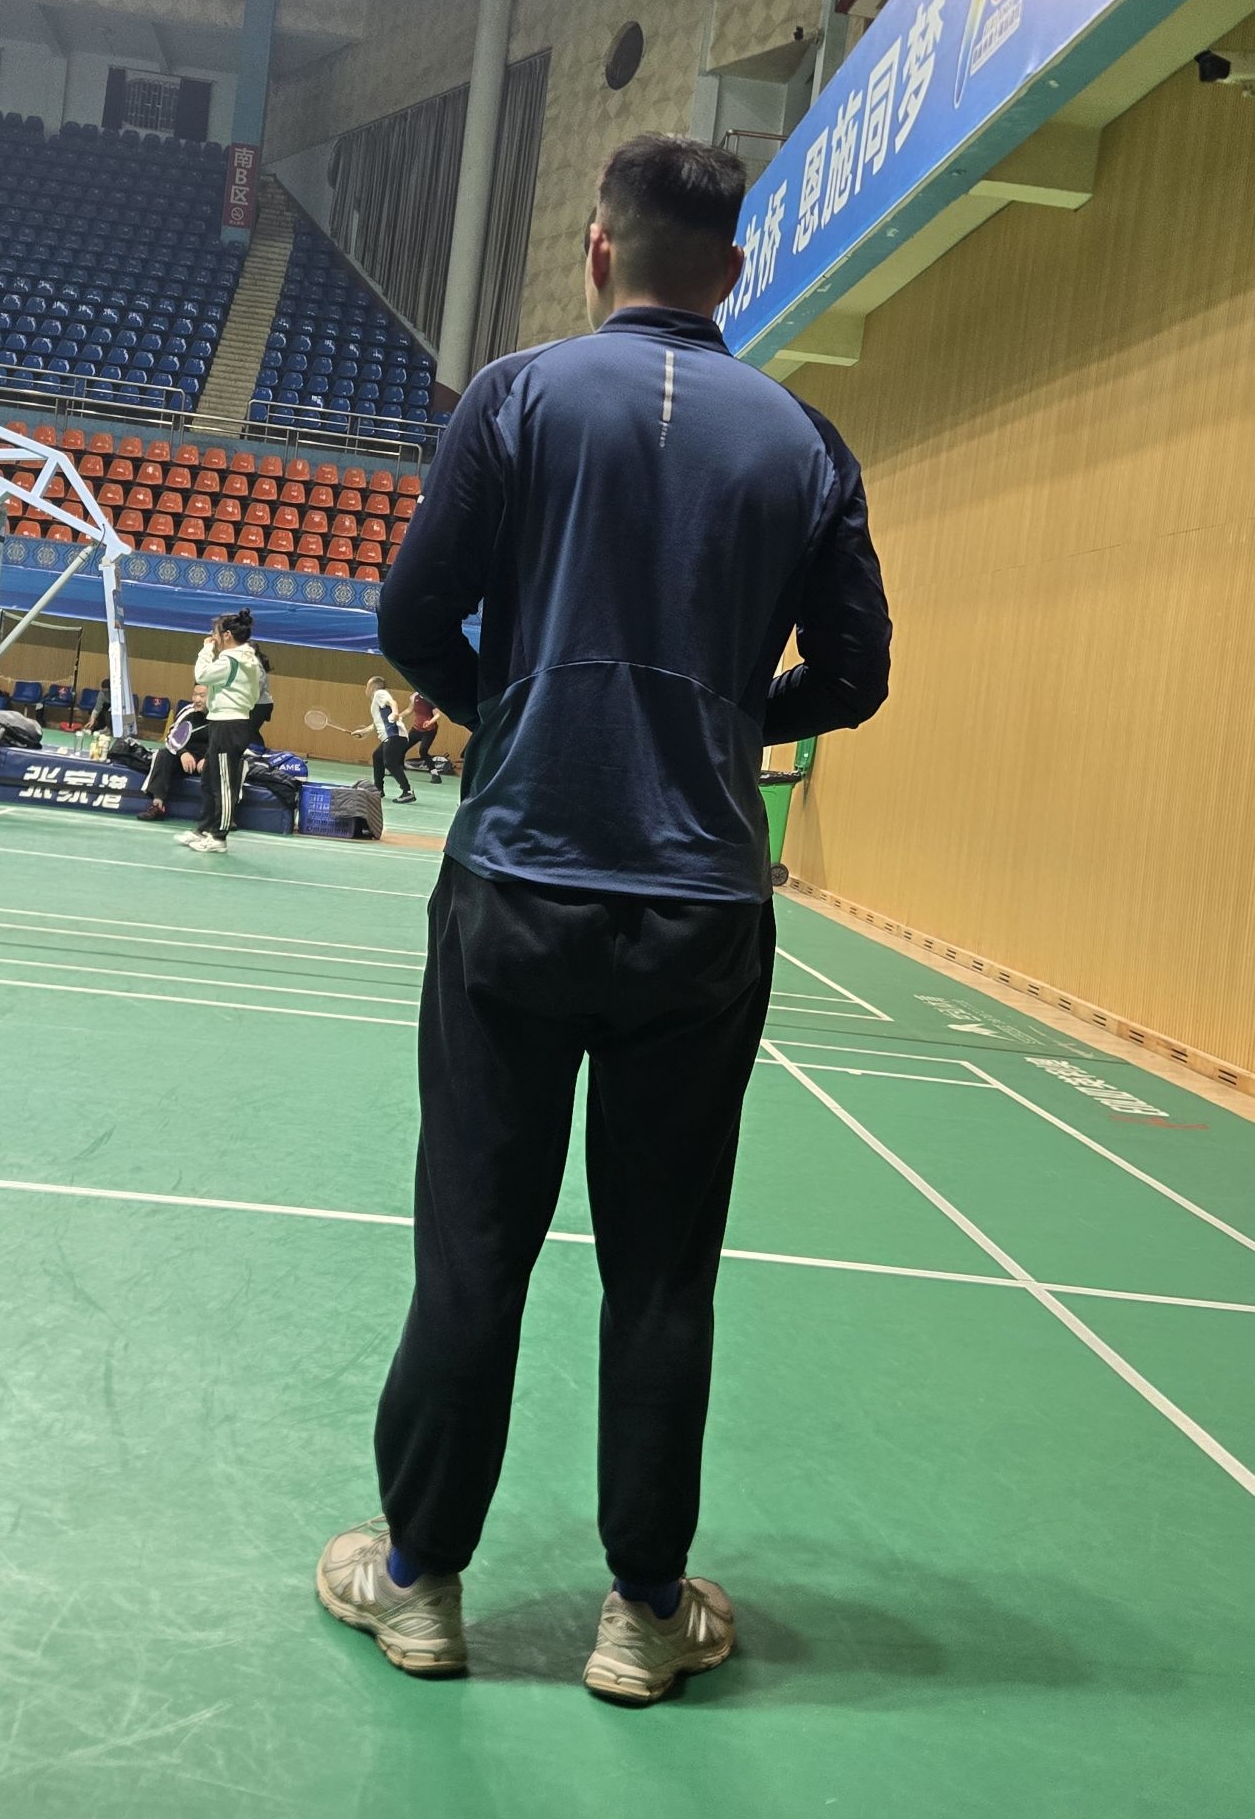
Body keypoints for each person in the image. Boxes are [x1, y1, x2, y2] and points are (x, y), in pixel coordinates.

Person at [316, 136, 891, 1701]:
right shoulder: (806, 443)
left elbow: (410, 617)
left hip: (515, 885)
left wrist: (512, 715)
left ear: (595, 251)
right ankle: (642, 1614)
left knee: (472, 1250)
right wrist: (727, 724)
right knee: (661, 1273)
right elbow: (855, 674)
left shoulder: (515, 398)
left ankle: (420, 1587)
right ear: (734, 271)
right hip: (698, 915)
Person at [182, 609, 262, 854]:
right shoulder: (246, 659)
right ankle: (205, 828)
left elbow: (201, 675)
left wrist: (206, 648)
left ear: (227, 635)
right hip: (223, 721)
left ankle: (219, 837)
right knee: (210, 779)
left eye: (215, 633)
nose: (213, 637)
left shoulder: (232, 661)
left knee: (224, 784)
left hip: (230, 724)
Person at [137, 685, 209, 819]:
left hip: (208, 761)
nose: (196, 699)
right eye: (194, 694)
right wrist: (182, 752)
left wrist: (209, 758)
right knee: (163, 754)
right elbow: (171, 736)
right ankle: (157, 805)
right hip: (186, 760)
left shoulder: (221, 717)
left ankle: (214, 814)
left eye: (202, 696)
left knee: (225, 764)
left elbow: (224, 743)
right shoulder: (188, 712)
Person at [360, 674, 414, 803]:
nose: (366, 688)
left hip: (395, 734)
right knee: (377, 756)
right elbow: (376, 723)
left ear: (373, 686)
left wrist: (395, 712)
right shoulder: (377, 702)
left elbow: (393, 702)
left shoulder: (379, 693)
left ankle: (407, 792)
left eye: (367, 685)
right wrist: (362, 731)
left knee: (390, 762)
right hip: (391, 736)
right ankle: (378, 790)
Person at [403, 693, 442, 783]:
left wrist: (430, 722)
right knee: (403, 746)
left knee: (423, 751)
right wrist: (398, 716)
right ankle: (398, 769)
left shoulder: (430, 699)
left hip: (429, 731)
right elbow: (409, 710)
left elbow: (438, 715)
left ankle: (435, 775)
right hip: (416, 729)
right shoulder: (414, 697)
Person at [249, 645, 274, 751]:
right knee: (248, 731)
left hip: (260, 705)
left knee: (248, 730)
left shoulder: (256, 666)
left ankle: (259, 751)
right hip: (256, 704)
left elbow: (256, 690)